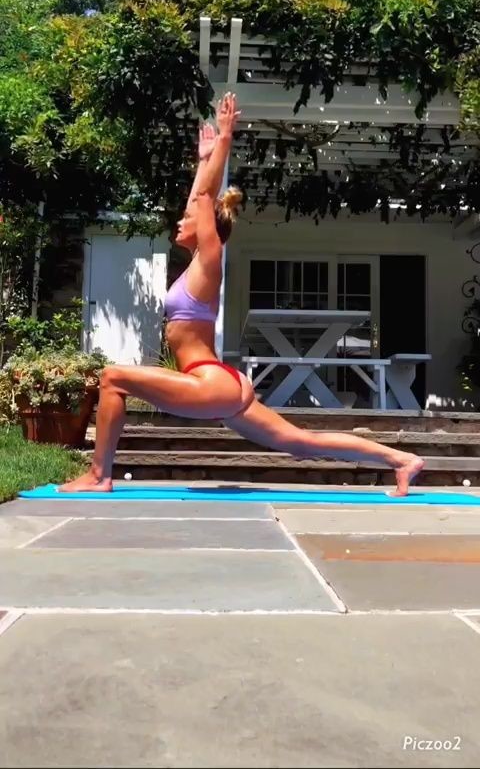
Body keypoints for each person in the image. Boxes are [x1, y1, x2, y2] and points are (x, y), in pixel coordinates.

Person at [60, 93, 423, 496]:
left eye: (187, 219)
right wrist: (203, 160)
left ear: (206, 229)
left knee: (112, 378)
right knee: (300, 443)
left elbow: (203, 201)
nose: (180, 221)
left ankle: (99, 476)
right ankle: (402, 460)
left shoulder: (210, 260)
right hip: (221, 384)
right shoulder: (198, 264)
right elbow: (199, 200)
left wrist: (225, 139)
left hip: (210, 383)